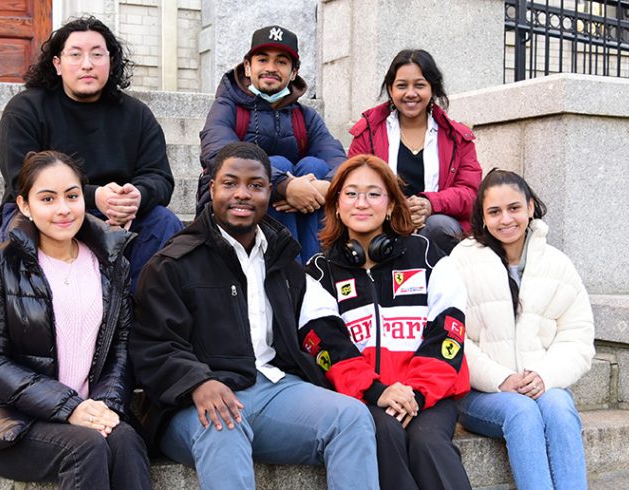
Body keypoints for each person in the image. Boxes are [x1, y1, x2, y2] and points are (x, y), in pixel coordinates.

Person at [130, 142, 379, 490]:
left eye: (256, 185)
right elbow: (153, 346)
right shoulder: (172, 263)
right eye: (230, 183)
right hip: (192, 404)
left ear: (268, 193)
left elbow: (321, 326)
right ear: (211, 187)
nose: (242, 194)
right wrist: (198, 381)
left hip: (274, 390)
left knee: (351, 417)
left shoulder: (282, 260)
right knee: (223, 427)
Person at [0, 150, 151, 490]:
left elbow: (121, 348)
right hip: (17, 424)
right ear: (24, 205)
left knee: (125, 440)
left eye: (72, 196)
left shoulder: (111, 264)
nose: (63, 209)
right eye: (47, 198)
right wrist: (69, 408)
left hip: (89, 410)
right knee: (87, 447)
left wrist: (105, 406)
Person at [302, 154, 472, 490]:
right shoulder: (318, 271)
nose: (361, 203)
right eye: (350, 194)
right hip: (364, 396)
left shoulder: (428, 255)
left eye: (374, 193)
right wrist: (377, 391)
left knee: (428, 443)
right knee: (384, 431)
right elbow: (326, 345)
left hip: (428, 395)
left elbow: (448, 333)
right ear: (336, 205)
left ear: (392, 204)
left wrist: (416, 394)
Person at [0, 15, 183, 291]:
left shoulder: (136, 114)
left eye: (97, 54)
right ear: (57, 64)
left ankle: (139, 317)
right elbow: (20, 180)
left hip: (120, 211)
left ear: (111, 61)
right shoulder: (26, 109)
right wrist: (94, 196)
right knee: (26, 228)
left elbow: (159, 177)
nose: (87, 64)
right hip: (47, 206)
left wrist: (134, 196)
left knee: (164, 223)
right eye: (75, 55)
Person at [447, 169, 594, 490]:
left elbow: (577, 337)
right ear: (482, 218)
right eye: (494, 212)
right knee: (523, 413)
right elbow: (451, 336)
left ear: (530, 207)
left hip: (541, 385)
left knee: (559, 407)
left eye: (514, 208)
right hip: (480, 394)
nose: (506, 219)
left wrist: (544, 376)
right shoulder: (461, 261)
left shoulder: (557, 264)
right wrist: (501, 379)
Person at [199, 25, 347, 263]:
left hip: (297, 214)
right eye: (262, 59)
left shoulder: (306, 117)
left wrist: (325, 188)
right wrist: (284, 185)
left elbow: (337, 160)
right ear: (248, 67)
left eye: (281, 62)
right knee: (276, 163)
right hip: (234, 203)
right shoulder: (227, 107)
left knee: (315, 166)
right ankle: (290, 270)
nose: (270, 68)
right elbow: (219, 154)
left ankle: (313, 268)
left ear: (294, 71)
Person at [348, 49, 482, 255]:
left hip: (433, 226)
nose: (411, 93)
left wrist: (430, 204)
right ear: (391, 90)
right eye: (402, 86)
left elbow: (471, 194)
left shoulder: (456, 138)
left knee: (439, 226)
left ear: (432, 89)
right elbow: (352, 189)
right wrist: (395, 211)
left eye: (419, 85)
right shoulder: (367, 134)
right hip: (382, 223)